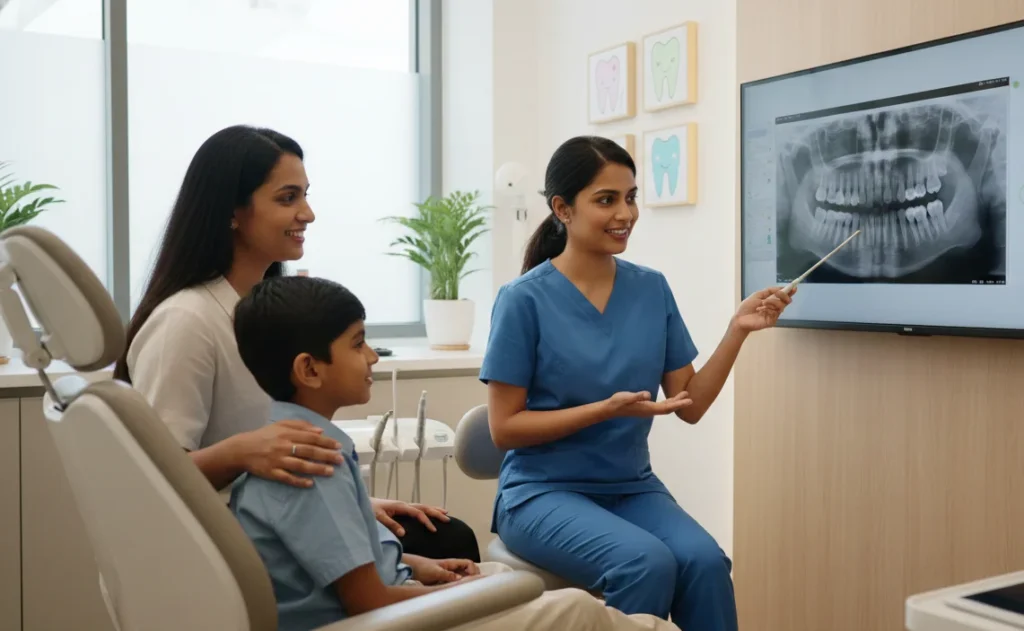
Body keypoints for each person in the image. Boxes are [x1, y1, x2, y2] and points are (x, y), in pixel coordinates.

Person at [113, 124, 479, 561]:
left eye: (305, 195)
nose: (307, 213)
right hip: (230, 547)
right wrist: (241, 452)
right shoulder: (185, 322)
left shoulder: (259, 308)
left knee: (443, 532)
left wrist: (357, 505)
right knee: (449, 546)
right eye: (288, 198)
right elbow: (153, 477)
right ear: (232, 210)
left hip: (272, 521)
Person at [229, 274, 676, 631]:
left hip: (390, 601)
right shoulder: (310, 460)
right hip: (384, 619)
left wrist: (419, 565)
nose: (372, 357)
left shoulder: (293, 441)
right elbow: (370, 600)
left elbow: (338, 562)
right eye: (357, 343)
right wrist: (450, 595)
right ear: (309, 369)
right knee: (582, 611)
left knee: (506, 583)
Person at [479, 136, 795, 631]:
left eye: (630, 197)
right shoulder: (523, 300)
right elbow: (504, 429)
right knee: (645, 563)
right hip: (541, 492)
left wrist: (737, 330)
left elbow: (688, 404)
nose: (625, 212)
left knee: (707, 563)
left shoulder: (651, 288)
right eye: (606, 199)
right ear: (562, 208)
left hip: (631, 486)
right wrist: (603, 410)